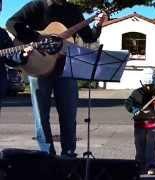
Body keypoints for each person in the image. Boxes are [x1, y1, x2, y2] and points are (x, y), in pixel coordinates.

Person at [6, 0, 106, 158]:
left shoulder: (73, 10)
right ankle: (47, 154)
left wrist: (98, 25)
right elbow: (11, 23)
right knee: (41, 115)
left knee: (68, 114)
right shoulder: (37, 6)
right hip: (38, 65)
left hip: (65, 68)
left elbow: (89, 37)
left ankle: (68, 153)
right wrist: (37, 37)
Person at [124, 68, 155, 175]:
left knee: (151, 145)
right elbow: (128, 103)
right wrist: (134, 109)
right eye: (146, 85)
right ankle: (140, 163)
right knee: (139, 144)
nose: (148, 87)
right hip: (139, 123)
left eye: (151, 85)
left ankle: (152, 165)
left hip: (152, 123)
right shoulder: (136, 92)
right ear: (142, 82)